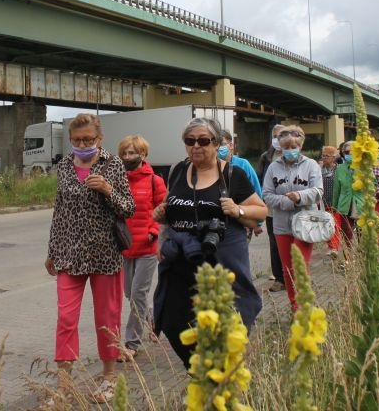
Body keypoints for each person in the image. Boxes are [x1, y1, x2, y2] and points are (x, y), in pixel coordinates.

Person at [152, 118, 267, 367]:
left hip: (220, 262)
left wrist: (238, 210)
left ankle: (219, 377)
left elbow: (261, 211)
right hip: (181, 262)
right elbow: (168, 205)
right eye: (190, 141)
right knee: (173, 323)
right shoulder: (178, 170)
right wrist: (161, 217)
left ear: (216, 144)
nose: (196, 146)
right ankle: (199, 372)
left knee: (223, 322)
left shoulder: (232, 174)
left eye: (203, 141)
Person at [45, 113, 134, 404]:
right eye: (77, 140)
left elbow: (128, 208)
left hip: (104, 254)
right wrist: (51, 251)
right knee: (65, 318)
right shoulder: (64, 166)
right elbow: (60, 210)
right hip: (69, 254)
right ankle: (64, 384)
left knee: (106, 318)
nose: (82, 144)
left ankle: (109, 377)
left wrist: (107, 189)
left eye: (88, 139)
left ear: (100, 139)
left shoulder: (113, 164)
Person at [116, 134, 166, 361]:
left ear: (143, 154)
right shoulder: (117, 181)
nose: (128, 157)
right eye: (124, 153)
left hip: (147, 247)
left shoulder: (154, 180)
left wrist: (153, 231)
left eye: (132, 153)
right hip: (125, 247)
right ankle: (154, 320)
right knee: (130, 293)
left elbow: (164, 210)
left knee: (137, 294)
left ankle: (132, 343)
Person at [261, 126, 323, 310]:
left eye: (293, 146)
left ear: (300, 145)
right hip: (281, 225)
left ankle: (305, 304)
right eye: (286, 147)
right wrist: (287, 202)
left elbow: (318, 191)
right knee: (287, 269)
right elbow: (267, 194)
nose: (290, 150)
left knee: (300, 266)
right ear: (281, 148)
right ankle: (295, 304)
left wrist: (300, 197)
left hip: (305, 223)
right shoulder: (273, 167)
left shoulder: (311, 165)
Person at [255, 123, 287, 291]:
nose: (278, 140)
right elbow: (259, 179)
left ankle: (292, 276)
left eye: (281, 136)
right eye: (275, 136)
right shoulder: (266, 157)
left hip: (290, 208)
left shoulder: (293, 155)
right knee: (274, 243)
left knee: (291, 243)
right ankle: (279, 279)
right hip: (271, 208)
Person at [331, 141, 359, 249]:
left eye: (353, 152)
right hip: (344, 205)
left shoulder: (364, 167)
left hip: (361, 204)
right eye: (347, 152)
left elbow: (373, 184)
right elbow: (336, 189)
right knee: (347, 235)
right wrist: (334, 206)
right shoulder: (340, 168)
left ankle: (362, 258)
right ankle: (349, 260)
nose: (350, 154)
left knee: (362, 235)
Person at [319, 145, 343, 258]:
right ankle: (331, 246)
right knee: (326, 225)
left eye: (326, 156)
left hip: (336, 203)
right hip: (323, 203)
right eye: (323, 155)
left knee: (334, 225)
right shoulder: (319, 169)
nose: (323, 158)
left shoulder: (339, 169)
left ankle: (334, 248)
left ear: (333, 158)